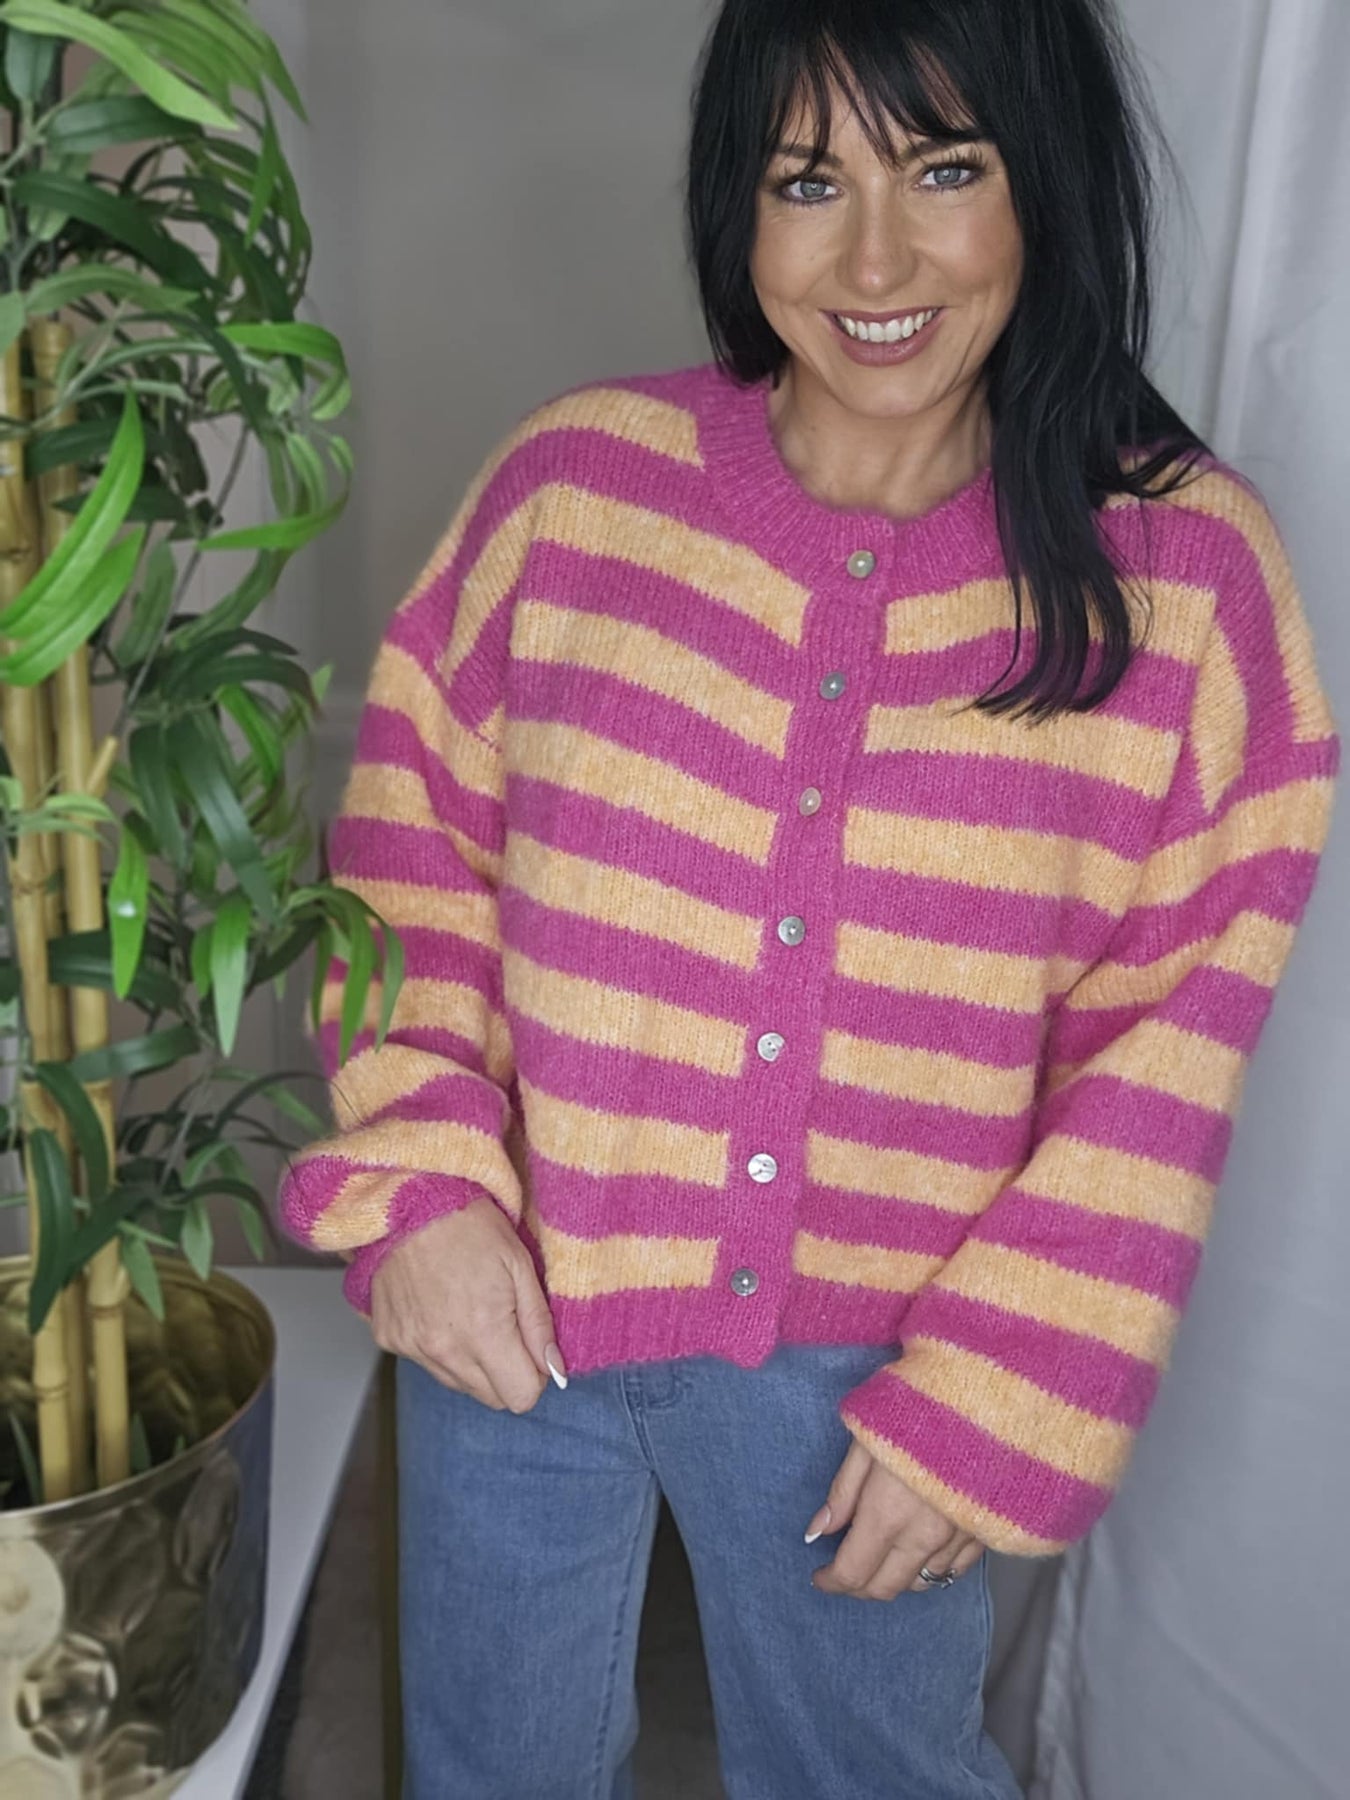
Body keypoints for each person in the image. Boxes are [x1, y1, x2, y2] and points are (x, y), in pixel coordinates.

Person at [278, 0, 1341, 1795]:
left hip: (880, 1381)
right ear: (736, 206)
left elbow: (1164, 1056)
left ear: (1046, 181)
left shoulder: (1183, 582)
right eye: (805, 180)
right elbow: (411, 858)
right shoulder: (575, 492)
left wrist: (998, 1396)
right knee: (488, 1771)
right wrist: (423, 1193)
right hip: (508, 1299)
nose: (872, 260)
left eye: (945, 169)